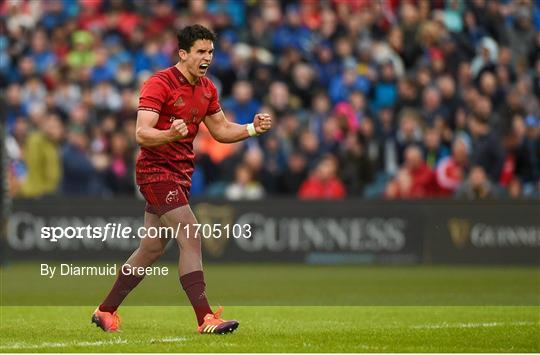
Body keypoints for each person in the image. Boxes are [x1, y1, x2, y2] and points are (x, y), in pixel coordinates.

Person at [92, 25, 272, 334]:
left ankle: (105, 311)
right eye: (201, 52)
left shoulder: (206, 88)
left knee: (151, 248)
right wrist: (169, 134)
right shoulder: (158, 84)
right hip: (155, 172)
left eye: (211, 52)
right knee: (190, 233)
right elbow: (141, 134)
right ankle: (205, 318)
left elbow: (221, 130)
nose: (207, 58)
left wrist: (252, 128)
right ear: (183, 53)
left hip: (180, 174)